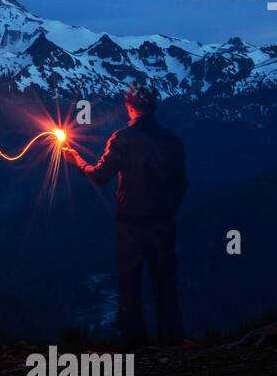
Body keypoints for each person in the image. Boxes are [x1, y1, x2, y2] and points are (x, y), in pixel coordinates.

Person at [63, 80, 188, 348]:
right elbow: (182, 184)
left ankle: (135, 347)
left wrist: (77, 161)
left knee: (129, 287)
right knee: (165, 285)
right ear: (153, 106)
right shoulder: (172, 141)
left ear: (129, 106)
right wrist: (169, 211)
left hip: (129, 225)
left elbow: (100, 176)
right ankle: (172, 345)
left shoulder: (121, 139)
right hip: (163, 224)